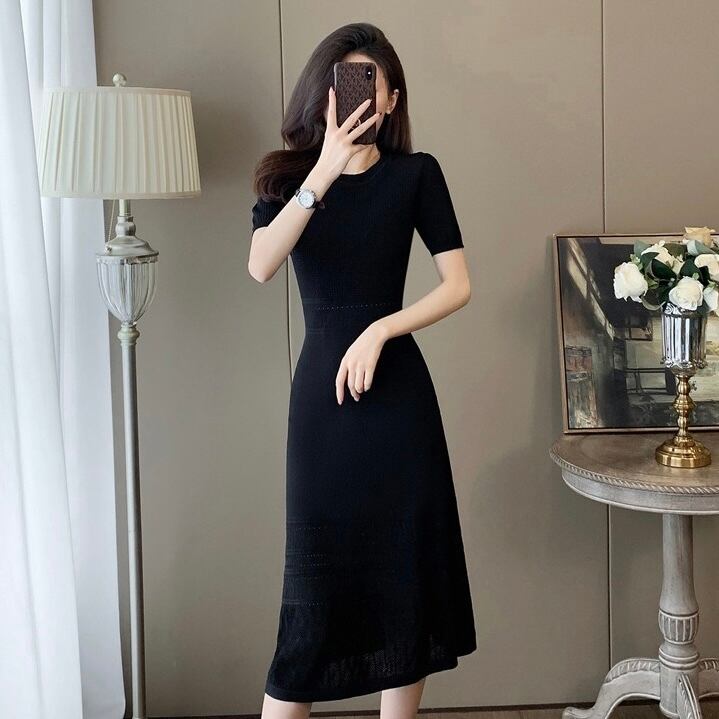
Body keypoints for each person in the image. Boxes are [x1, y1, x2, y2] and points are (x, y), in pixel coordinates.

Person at [248, 21, 476, 719]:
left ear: (392, 99)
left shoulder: (416, 174)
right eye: (346, 82)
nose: (358, 95)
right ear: (323, 94)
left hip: (398, 402)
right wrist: (323, 169)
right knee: (312, 598)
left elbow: (457, 285)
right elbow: (260, 264)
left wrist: (381, 327)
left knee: (404, 587)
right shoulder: (285, 179)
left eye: (372, 83)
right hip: (323, 406)